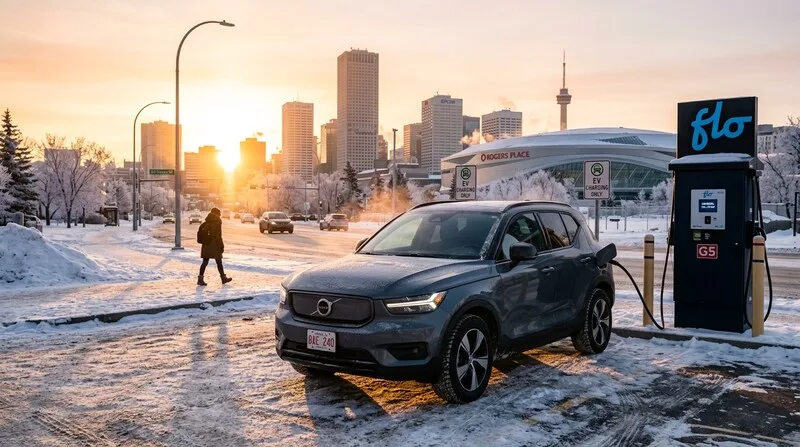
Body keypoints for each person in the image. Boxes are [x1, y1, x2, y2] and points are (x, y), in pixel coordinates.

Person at [198, 208, 232, 286]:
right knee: (219, 261)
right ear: (218, 214)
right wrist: (221, 246)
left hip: (206, 243)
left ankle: (200, 279)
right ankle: (223, 278)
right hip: (214, 244)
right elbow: (218, 236)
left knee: (205, 262)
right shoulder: (218, 221)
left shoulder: (207, 220)